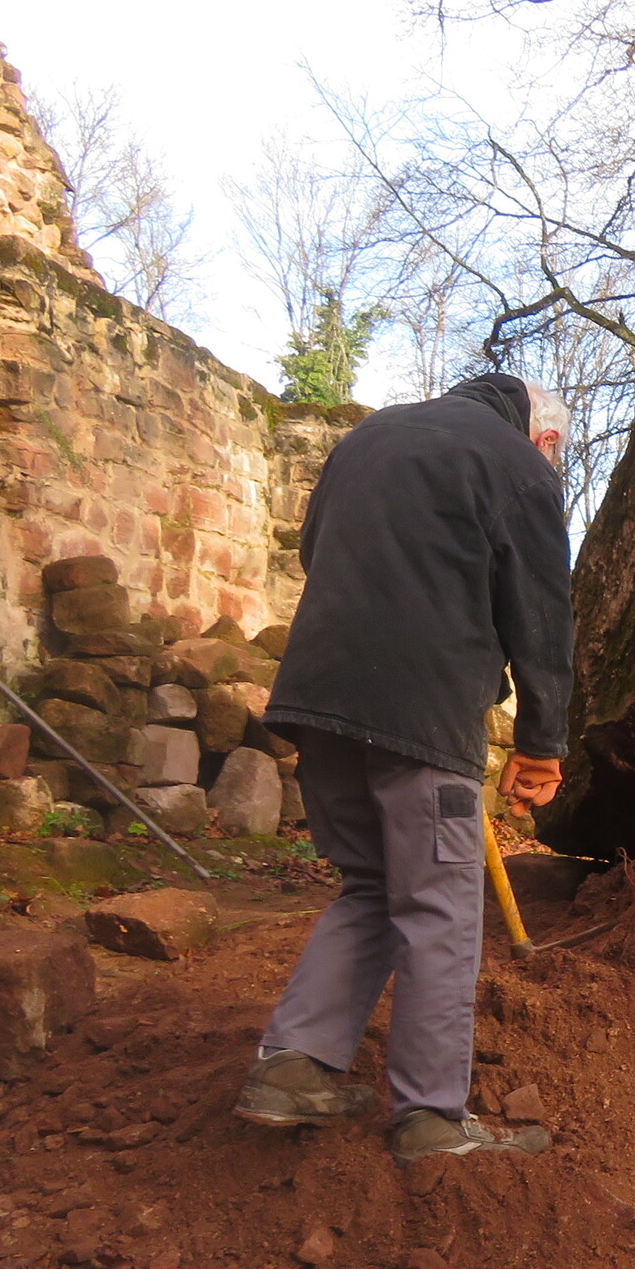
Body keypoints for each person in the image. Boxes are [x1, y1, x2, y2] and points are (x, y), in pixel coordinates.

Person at [235, 372, 573, 1166]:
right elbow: (542, 611)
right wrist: (542, 742)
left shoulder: (366, 439)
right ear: (547, 439)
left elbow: (316, 552)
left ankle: (292, 1066)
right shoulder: (519, 467)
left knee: (371, 886)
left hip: (318, 700)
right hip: (420, 713)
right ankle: (430, 1120)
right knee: (437, 907)